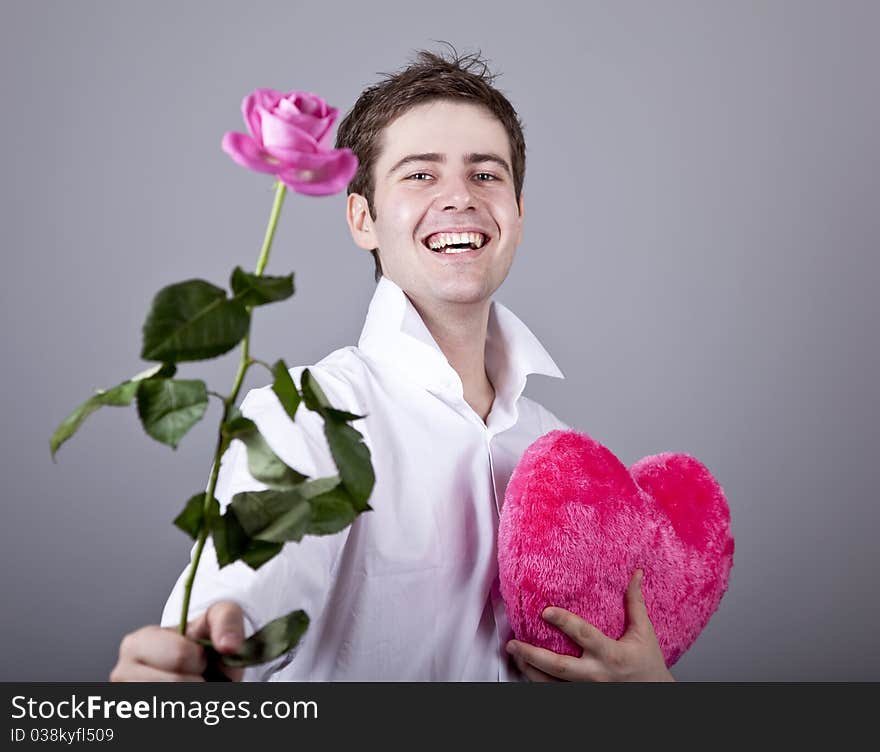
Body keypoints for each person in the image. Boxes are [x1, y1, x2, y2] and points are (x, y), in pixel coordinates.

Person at [110, 45, 674, 682]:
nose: (459, 197)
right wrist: (204, 652)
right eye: (420, 174)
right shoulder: (310, 416)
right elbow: (242, 594)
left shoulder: (559, 448)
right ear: (362, 218)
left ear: (517, 215)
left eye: (486, 174)